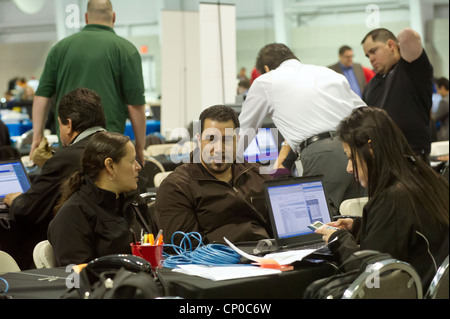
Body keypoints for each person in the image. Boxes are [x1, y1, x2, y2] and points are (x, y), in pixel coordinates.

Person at [315, 107, 449, 291]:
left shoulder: (393, 199)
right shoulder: (425, 178)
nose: (348, 168)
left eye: (351, 158)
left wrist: (339, 240)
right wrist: (358, 227)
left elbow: (373, 279)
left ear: (370, 148)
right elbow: (405, 234)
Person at [238, 43, 366, 210]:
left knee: (324, 223)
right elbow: (364, 112)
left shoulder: (265, 81)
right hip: (356, 151)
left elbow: (245, 131)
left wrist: (233, 166)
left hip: (320, 154)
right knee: (357, 217)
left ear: (267, 68)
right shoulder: (329, 73)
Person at [1, 88, 106, 269]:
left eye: (60, 124)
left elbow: (28, 210)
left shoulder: (65, 159)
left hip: (76, 253)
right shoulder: (121, 147)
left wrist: (16, 200)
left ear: (69, 125)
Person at [30, 0, 146, 165]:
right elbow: (135, 105)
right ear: (113, 17)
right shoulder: (126, 50)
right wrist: (140, 147)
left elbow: (41, 97)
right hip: (108, 150)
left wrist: (37, 137)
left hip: (69, 146)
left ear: (86, 17)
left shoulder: (59, 48)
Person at [154, 105, 272, 245]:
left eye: (227, 139)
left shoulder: (258, 175)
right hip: (214, 263)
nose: (219, 148)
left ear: (237, 140)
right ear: (198, 140)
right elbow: (184, 249)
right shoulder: (177, 187)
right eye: (211, 139)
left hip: (267, 258)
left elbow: (281, 231)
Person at [48, 131, 152, 266]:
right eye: (132, 161)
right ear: (110, 166)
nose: (138, 167)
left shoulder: (134, 203)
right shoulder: (73, 215)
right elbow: (78, 276)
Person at [361, 27, 433, 163]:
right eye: (367, 55)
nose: (370, 58)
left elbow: (408, 36)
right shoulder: (370, 86)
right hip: (383, 160)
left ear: (390, 45)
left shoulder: (411, 69)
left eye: (373, 51)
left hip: (412, 158)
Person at [434, 77, 449, 141]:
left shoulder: (444, 102)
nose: (437, 92)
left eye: (437, 89)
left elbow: (434, 118)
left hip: (445, 137)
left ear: (442, 87)